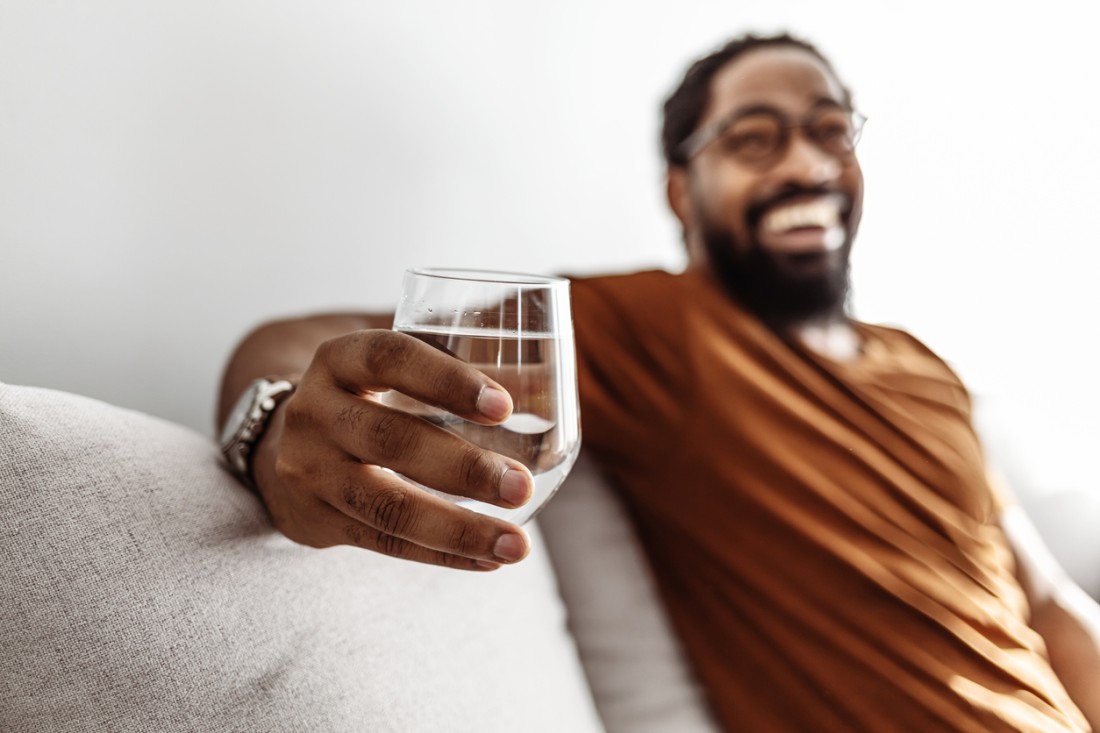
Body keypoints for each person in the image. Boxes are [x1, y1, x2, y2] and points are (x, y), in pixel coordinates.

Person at [217, 32, 1100, 732]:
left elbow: (1052, 603)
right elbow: (297, 340)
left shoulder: (927, 366)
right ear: (682, 189)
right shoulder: (655, 329)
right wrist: (277, 425)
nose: (807, 165)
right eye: (755, 138)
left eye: (833, 129)